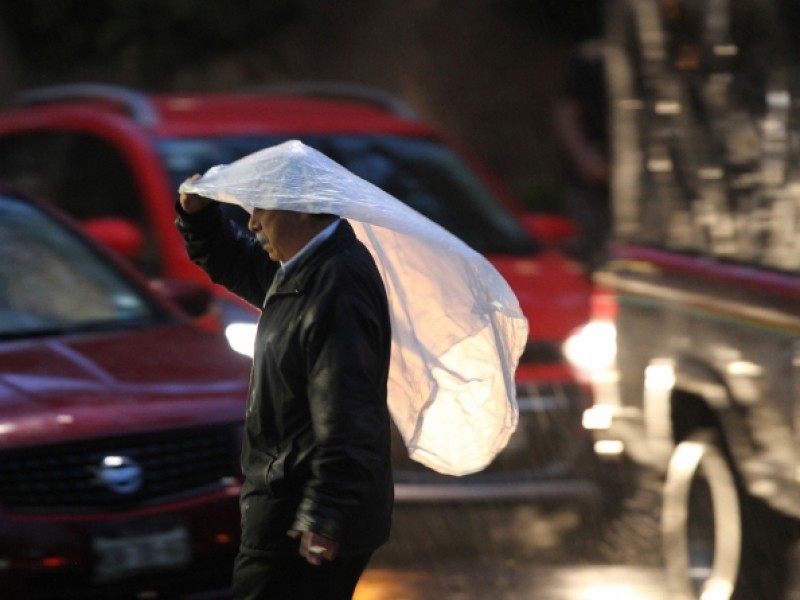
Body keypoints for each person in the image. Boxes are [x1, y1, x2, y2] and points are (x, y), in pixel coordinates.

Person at [175, 178, 394, 600]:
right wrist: (197, 216)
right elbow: (237, 262)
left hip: (297, 518)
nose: (253, 222)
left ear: (301, 209)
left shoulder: (335, 283)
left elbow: (348, 411)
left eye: (262, 209)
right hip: (291, 506)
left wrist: (324, 512)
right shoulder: (307, 266)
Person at [554, 38, 611, 271]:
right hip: (596, 178)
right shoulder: (593, 60)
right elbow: (568, 112)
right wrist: (584, 157)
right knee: (596, 246)